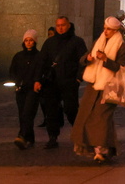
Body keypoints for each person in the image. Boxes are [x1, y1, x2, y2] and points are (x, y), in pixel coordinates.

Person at [72, 17, 125, 164]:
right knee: (88, 116)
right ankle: (102, 149)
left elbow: (120, 67)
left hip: (110, 87)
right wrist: (88, 58)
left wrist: (105, 59)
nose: (105, 31)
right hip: (93, 86)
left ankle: (101, 150)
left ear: (116, 31)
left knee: (101, 118)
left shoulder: (121, 46)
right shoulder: (99, 41)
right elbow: (83, 58)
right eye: (105, 28)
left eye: (109, 29)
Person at [34, 15, 87, 149]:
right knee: (51, 110)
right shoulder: (49, 42)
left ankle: (79, 134)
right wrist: (38, 80)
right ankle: (52, 137)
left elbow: (83, 61)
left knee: (71, 109)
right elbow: (42, 62)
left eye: (63, 25)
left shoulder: (77, 42)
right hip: (52, 82)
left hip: (69, 81)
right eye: (58, 26)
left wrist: (78, 78)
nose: (61, 28)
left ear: (68, 25)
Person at [10, 29, 42, 150]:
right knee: (22, 113)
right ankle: (30, 137)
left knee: (28, 112)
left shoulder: (39, 56)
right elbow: (12, 71)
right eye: (26, 40)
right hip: (21, 88)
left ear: (35, 42)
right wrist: (16, 81)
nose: (28, 43)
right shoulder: (18, 56)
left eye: (31, 40)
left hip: (32, 89)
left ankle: (22, 135)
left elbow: (40, 71)